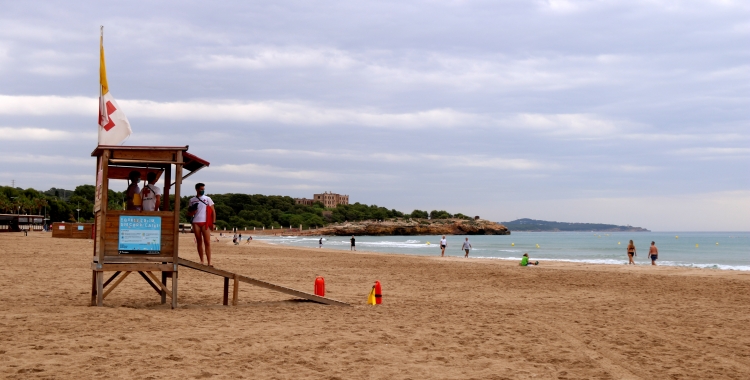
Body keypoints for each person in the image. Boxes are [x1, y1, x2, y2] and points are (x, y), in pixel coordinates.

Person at [187, 183, 216, 266]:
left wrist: (214, 223)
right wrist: (192, 212)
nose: (202, 190)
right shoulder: (192, 200)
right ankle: (201, 260)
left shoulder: (208, 199)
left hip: (205, 222)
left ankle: (209, 262)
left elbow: (213, 211)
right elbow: (188, 213)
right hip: (196, 222)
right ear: (197, 189)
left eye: (203, 189)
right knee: (199, 241)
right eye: (201, 189)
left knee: (207, 242)